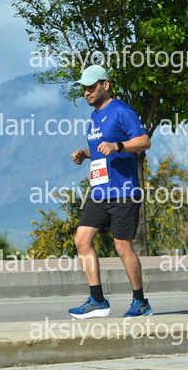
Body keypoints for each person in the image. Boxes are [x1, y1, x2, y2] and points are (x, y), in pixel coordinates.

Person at [68, 65, 153, 319]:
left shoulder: (122, 111)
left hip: (123, 191)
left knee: (122, 246)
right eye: (84, 88)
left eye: (91, 87)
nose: (86, 92)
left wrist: (118, 146)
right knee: (81, 240)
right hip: (100, 192)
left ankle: (140, 302)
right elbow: (102, 150)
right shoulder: (95, 117)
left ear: (105, 85)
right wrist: (86, 153)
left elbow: (144, 141)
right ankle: (97, 301)